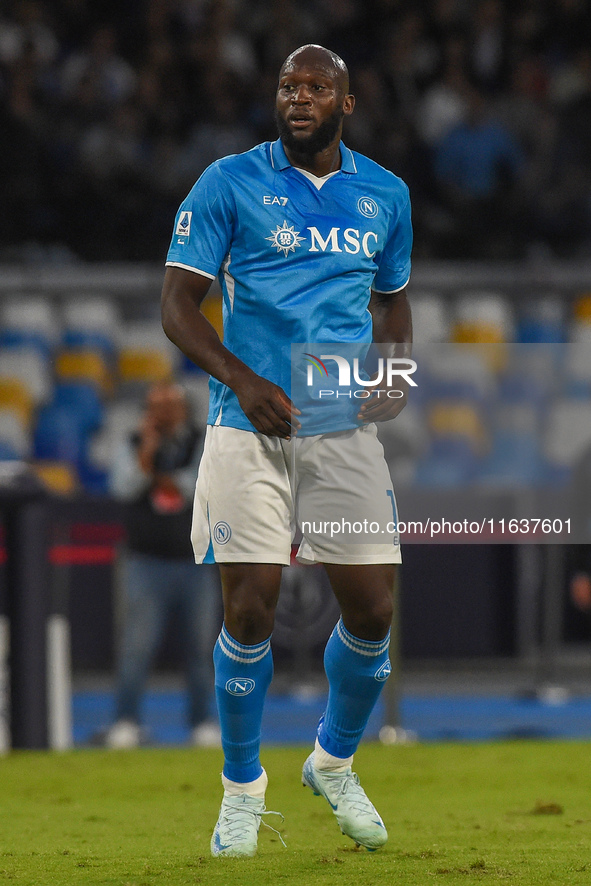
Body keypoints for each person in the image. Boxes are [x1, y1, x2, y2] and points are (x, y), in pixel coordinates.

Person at [161, 44, 412, 856]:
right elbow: (176, 307)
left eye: (316, 87)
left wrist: (395, 379)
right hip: (248, 425)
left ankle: (332, 763)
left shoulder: (386, 194)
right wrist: (244, 379)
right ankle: (241, 790)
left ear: (346, 103)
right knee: (249, 609)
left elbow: (394, 304)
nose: (297, 97)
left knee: (372, 610)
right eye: (287, 86)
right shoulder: (228, 181)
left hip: (338, 421)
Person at [106, 381, 220, 749]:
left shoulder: (202, 441)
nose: (164, 412)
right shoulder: (132, 443)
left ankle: (202, 722)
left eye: (170, 404)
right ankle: (126, 721)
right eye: (156, 405)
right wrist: (148, 453)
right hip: (144, 562)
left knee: (201, 649)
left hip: (194, 560)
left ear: (183, 408)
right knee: (136, 648)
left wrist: (159, 478)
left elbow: (199, 484)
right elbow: (123, 487)